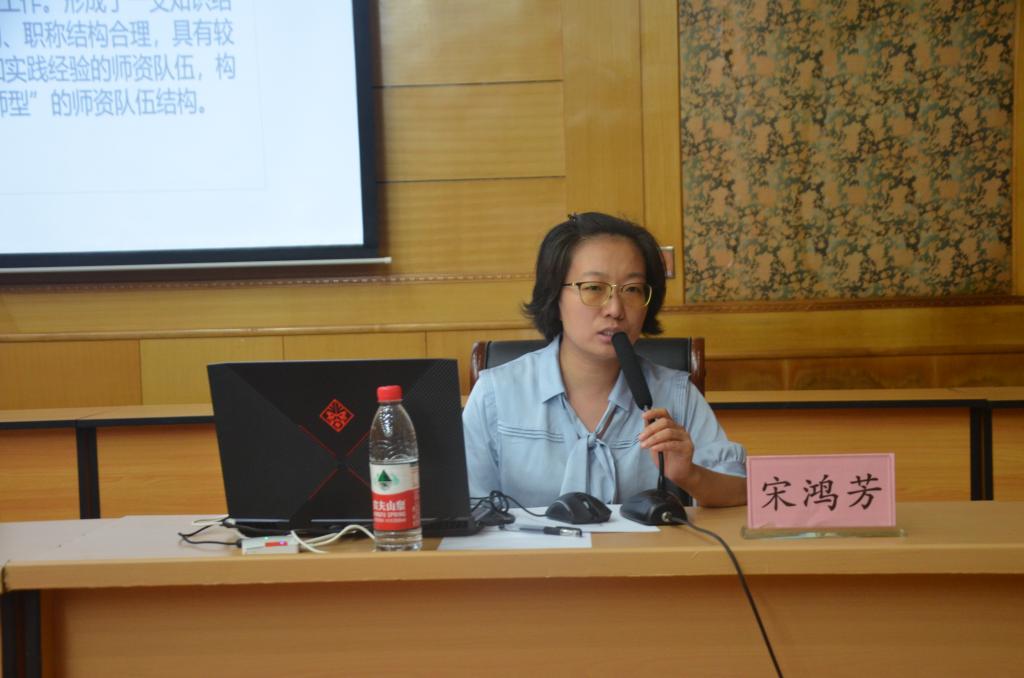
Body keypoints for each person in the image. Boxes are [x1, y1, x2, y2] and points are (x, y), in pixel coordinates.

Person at [462, 212, 747, 508]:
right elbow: (467, 506)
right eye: (594, 288)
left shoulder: (676, 394)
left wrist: (690, 475)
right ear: (554, 296)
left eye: (632, 290)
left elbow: (742, 492)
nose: (615, 309)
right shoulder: (496, 394)